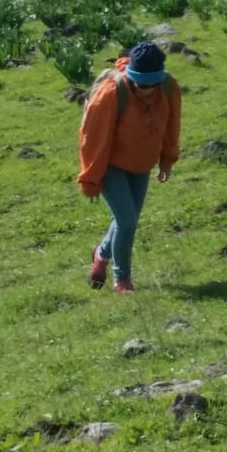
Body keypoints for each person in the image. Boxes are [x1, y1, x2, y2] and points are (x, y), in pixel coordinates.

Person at [77, 40, 181, 294]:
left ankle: (101, 254)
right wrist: (91, 179)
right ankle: (121, 280)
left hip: (142, 165)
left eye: (152, 84)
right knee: (128, 222)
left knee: (127, 220)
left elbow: (172, 125)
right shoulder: (111, 93)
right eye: (141, 84)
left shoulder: (168, 88)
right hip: (112, 166)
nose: (147, 90)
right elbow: (92, 138)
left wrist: (167, 159)